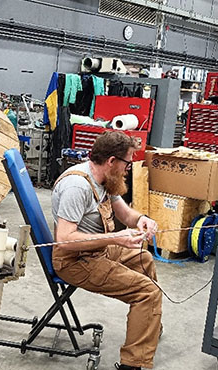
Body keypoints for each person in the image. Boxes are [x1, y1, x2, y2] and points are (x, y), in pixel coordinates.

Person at [51, 131, 161, 370]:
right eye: (127, 163)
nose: (128, 168)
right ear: (112, 161)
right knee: (147, 293)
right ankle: (134, 364)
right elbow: (64, 239)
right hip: (75, 260)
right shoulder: (77, 186)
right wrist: (116, 238)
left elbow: (124, 213)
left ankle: (148, 325)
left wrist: (142, 219)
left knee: (144, 259)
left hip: (98, 251)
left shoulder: (105, 178)